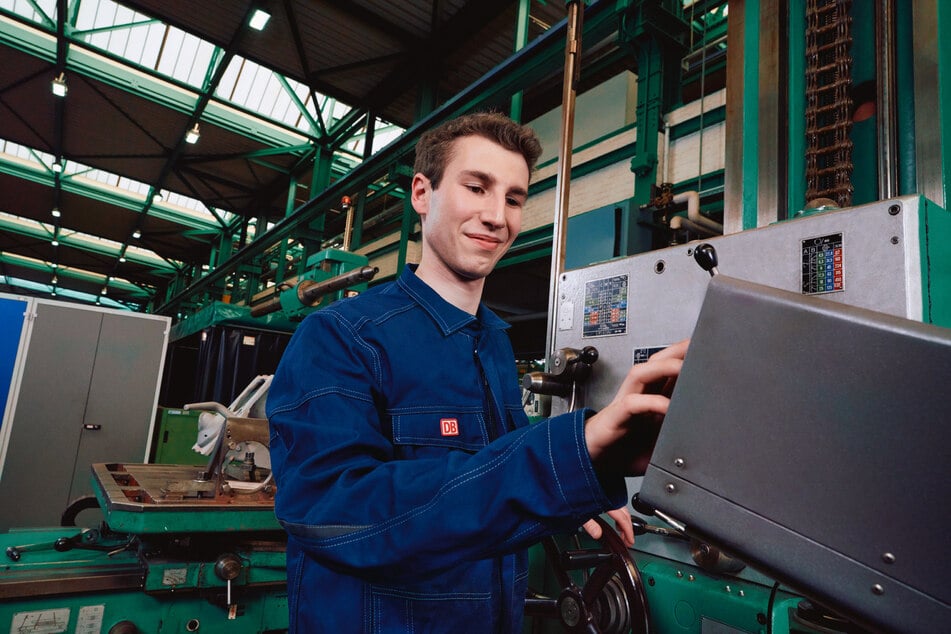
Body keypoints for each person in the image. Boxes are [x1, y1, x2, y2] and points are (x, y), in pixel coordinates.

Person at [266, 112, 687, 633]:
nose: (496, 216)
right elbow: (335, 510)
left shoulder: (493, 341)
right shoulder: (341, 336)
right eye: (476, 188)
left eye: (513, 198)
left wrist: (567, 493)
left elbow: (486, 478)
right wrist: (566, 456)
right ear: (422, 193)